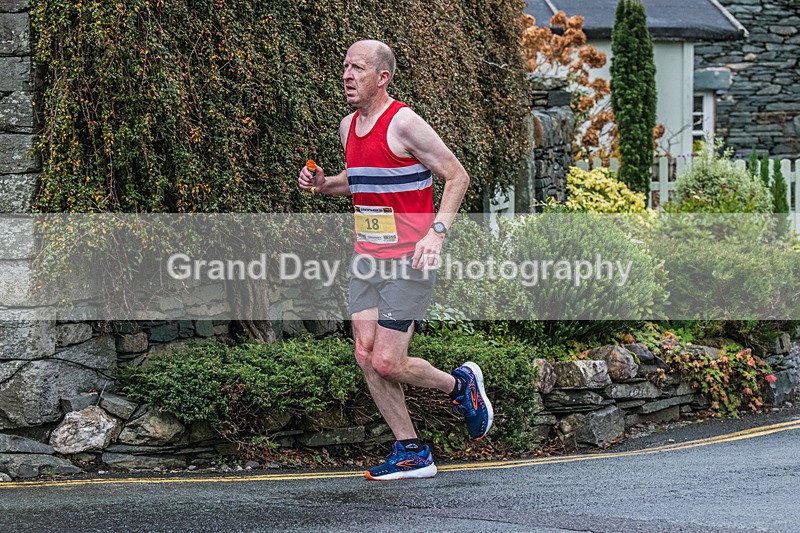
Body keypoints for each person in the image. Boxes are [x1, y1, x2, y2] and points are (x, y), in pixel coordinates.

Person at [298, 40, 492, 480]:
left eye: (358, 68)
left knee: (387, 361)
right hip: (366, 258)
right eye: (345, 66)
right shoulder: (348, 127)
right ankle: (411, 451)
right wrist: (323, 183)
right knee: (365, 356)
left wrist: (437, 235)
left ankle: (459, 385)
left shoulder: (404, 123)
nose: (347, 75)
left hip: (410, 259)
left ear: (383, 77)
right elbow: (362, 181)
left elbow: (457, 174)